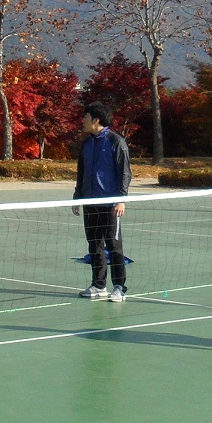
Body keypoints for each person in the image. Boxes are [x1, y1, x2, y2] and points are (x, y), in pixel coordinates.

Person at [72, 102, 130, 303]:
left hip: (111, 205)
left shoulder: (116, 141)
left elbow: (125, 173)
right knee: (94, 245)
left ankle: (119, 287)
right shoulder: (87, 143)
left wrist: (121, 199)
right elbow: (82, 172)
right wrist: (78, 196)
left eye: (85, 117)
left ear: (96, 120)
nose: (83, 120)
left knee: (113, 246)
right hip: (90, 203)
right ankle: (98, 285)